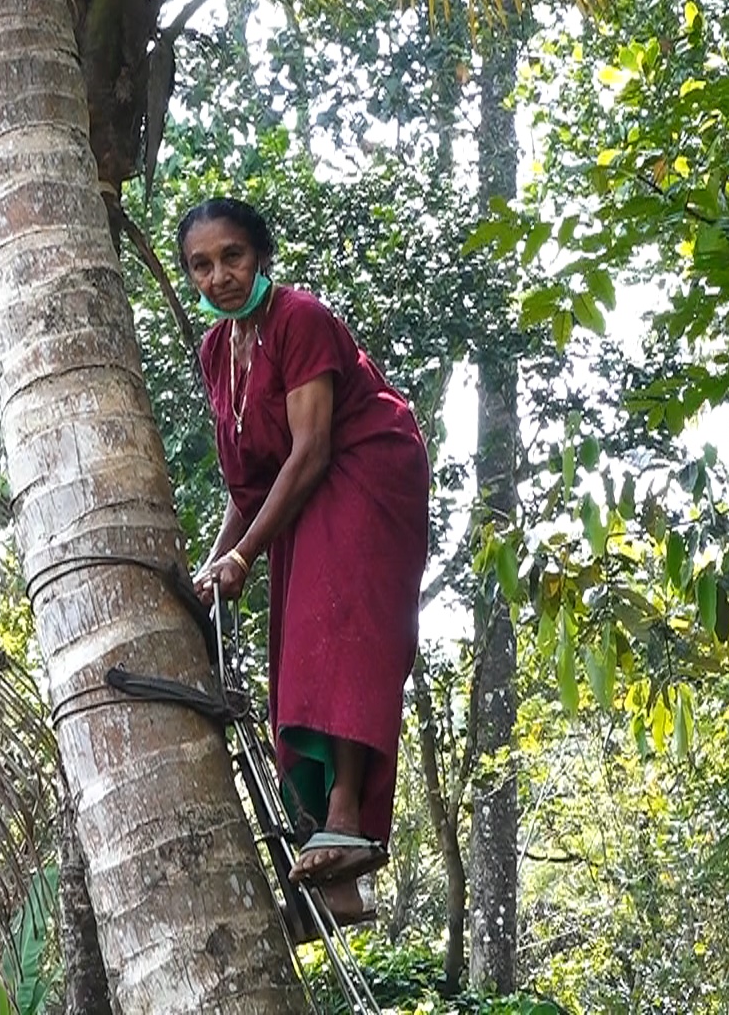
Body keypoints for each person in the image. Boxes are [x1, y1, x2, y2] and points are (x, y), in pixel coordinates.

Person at [182, 196, 429, 925]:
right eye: (202, 265)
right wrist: (217, 562)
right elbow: (248, 482)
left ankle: (349, 813)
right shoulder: (214, 352)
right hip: (302, 490)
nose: (220, 276)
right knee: (297, 654)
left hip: (363, 469)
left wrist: (245, 555)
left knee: (339, 636)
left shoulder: (300, 318)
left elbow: (312, 448)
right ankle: (337, 877)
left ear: (260, 254)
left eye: (232, 256)